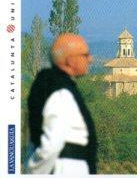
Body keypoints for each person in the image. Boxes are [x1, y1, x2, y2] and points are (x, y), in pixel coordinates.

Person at [26, 33, 97, 174]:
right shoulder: (60, 92)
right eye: (85, 55)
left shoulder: (56, 85)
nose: (90, 59)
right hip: (65, 168)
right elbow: (52, 143)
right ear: (70, 61)